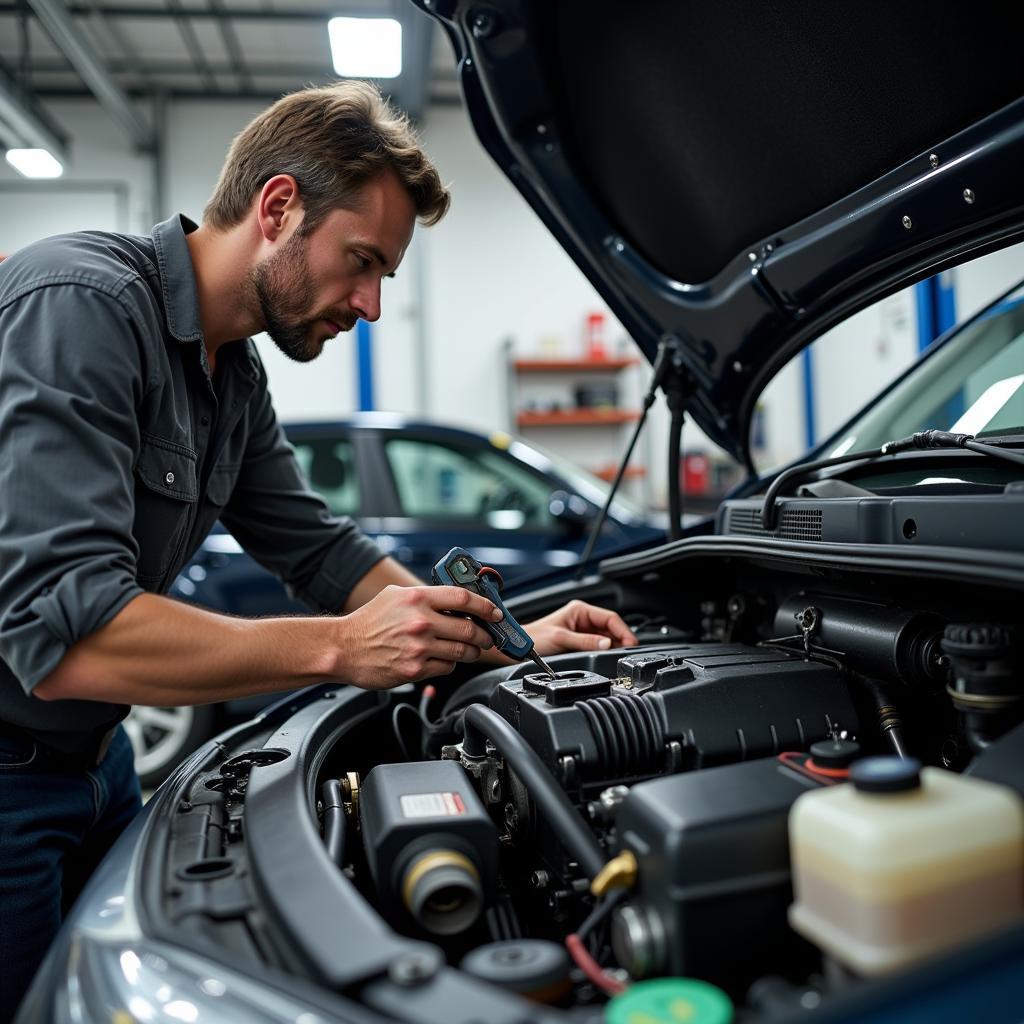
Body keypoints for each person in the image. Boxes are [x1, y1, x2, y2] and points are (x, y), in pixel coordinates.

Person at [0, 81, 636, 1017]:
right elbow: (66, 641)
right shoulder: (82, 306)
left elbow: (328, 556)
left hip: (98, 768)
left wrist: (509, 639)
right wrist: (340, 649)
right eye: (362, 262)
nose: (372, 304)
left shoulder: (231, 375)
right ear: (278, 207)